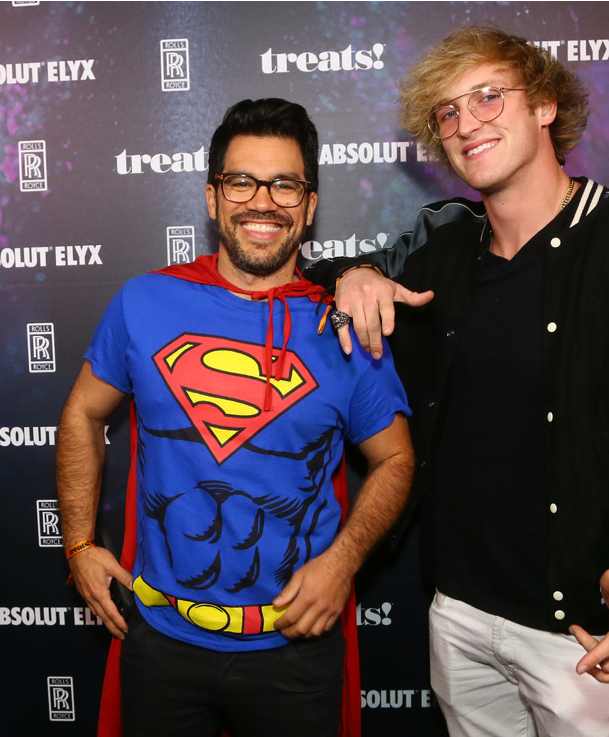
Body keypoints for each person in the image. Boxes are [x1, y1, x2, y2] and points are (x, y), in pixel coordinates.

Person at [307, 26, 609, 737]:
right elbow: (320, 281)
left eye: (489, 96)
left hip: (583, 639)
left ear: (546, 105)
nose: (467, 123)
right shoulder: (439, 241)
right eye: (448, 112)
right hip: (460, 615)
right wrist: (353, 274)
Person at [56, 98, 413, 737]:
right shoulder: (145, 302)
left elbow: (396, 459)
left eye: (285, 184)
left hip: (295, 651)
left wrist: (342, 561)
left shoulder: (346, 328)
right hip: (162, 643)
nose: (262, 202)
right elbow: (82, 413)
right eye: (241, 181)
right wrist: (79, 543)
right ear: (213, 197)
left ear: (308, 204)